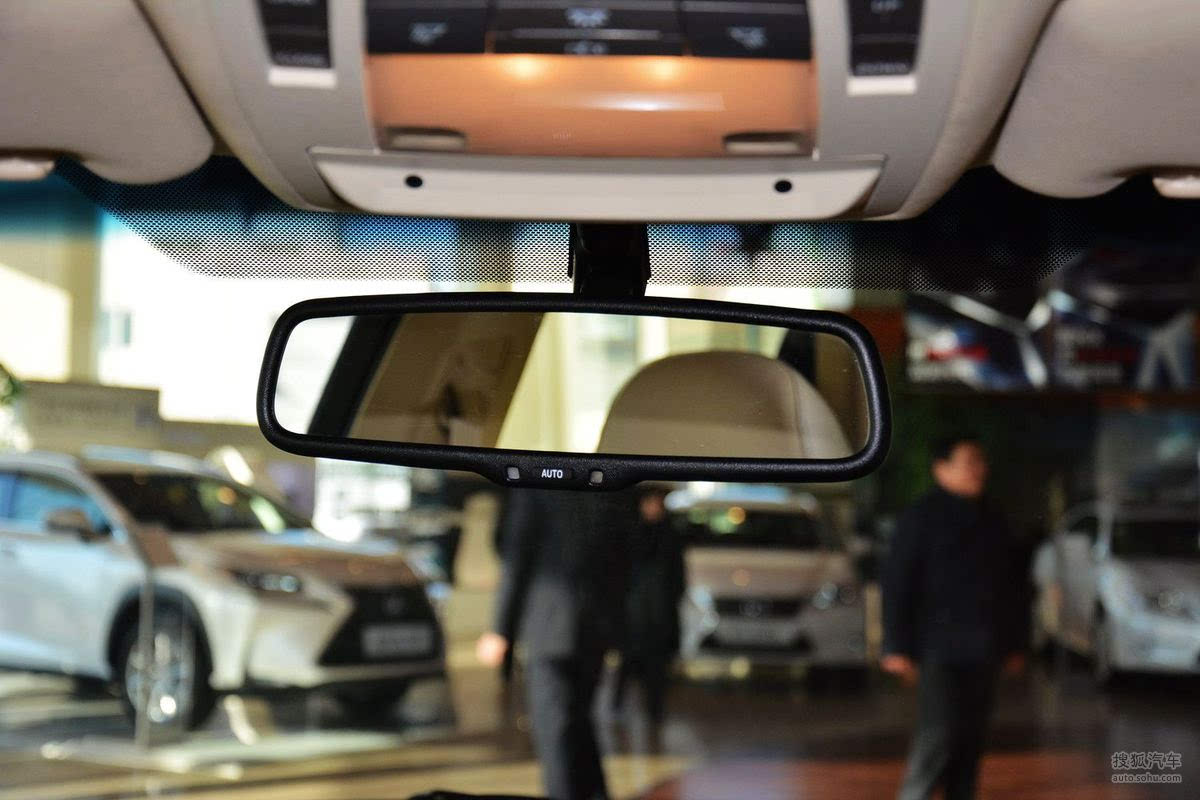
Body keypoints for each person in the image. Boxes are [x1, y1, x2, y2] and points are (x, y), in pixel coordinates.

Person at [882, 434, 1028, 800]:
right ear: (941, 469)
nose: (978, 470)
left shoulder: (993, 517)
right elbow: (898, 583)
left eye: (980, 461)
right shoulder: (920, 517)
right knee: (939, 733)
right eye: (968, 462)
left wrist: (1015, 643)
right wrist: (895, 645)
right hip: (938, 645)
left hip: (986, 645)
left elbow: (1014, 586)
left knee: (971, 738)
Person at [476, 489, 631, 800]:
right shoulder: (608, 488)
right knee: (580, 721)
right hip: (595, 627)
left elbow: (518, 558)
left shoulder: (535, 489)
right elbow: (624, 561)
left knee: (555, 731)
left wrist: (500, 630)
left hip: (550, 627)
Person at [611, 487, 686, 733]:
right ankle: (618, 707)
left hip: (659, 614)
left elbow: (677, 577)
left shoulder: (669, 536)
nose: (653, 508)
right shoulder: (631, 534)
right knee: (628, 663)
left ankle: (654, 710)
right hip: (634, 613)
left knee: (657, 667)